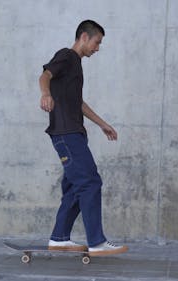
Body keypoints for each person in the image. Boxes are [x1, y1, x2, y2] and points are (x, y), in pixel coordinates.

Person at [38, 20, 128, 256]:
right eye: (97, 42)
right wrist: (45, 94)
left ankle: (59, 238)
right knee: (90, 183)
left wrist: (102, 124)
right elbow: (45, 75)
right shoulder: (66, 56)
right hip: (66, 134)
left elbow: (77, 102)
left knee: (75, 188)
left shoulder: (74, 64)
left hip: (72, 132)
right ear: (84, 38)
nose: (97, 48)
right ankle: (97, 241)